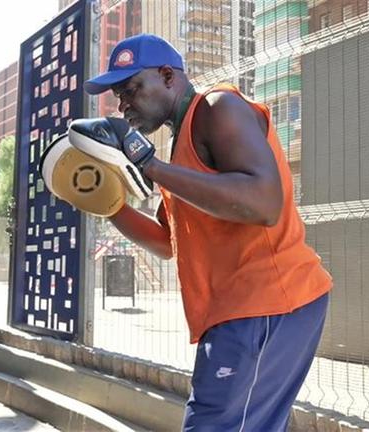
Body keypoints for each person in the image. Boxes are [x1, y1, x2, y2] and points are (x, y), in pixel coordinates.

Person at [71, 34, 331, 430]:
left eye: (131, 89)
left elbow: (264, 203)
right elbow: (167, 242)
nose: (122, 106)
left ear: (168, 76)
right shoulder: (179, 149)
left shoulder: (217, 106)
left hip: (268, 302)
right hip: (249, 311)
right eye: (117, 97)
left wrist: (150, 164)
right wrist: (110, 207)